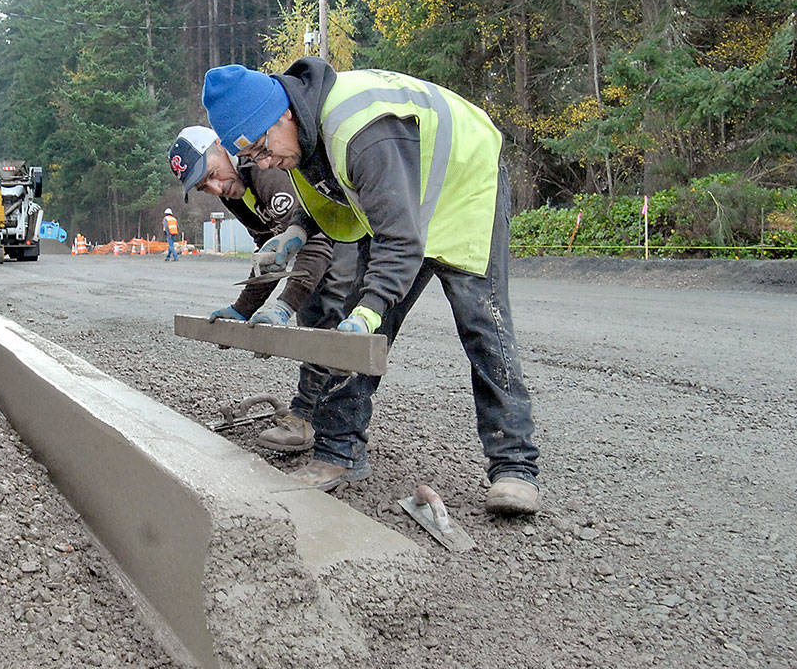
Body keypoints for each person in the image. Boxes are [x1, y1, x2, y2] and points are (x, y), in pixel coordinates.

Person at [202, 57, 542, 514]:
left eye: (262, 149)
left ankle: (514, 467)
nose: (264, 163)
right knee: (353, 323)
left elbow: (400, 240)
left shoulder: (360, 132)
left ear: (282, 113)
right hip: (400, 194)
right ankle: (339, 452)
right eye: (253, 158)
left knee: (482, 321)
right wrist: (297, 231)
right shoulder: (300, 134)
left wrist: (372, 308)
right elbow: (333, 193)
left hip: (464, 185)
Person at [168, 125, 339, 451]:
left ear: (221, 146)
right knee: (316, 319)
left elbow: (316, 239)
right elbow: (269, 250)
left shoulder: (261, 173)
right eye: (205, 187)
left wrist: (285, 305)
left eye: (213, 174)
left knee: (327, 325)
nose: (217, 188)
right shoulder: (233, 191)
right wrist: (243, 307)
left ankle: (326, 432)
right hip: (317, 243)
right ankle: (316, 421)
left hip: (341, 238)